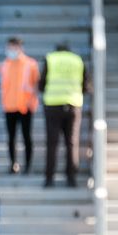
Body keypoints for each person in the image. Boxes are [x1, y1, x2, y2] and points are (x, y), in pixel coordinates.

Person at [39, 42, 86, 188]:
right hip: (73, 105)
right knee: (71, 143)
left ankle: (49, 179)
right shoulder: (77, 60)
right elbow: (85, 85)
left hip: (52, 105)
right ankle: (71, 178)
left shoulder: (50, 58)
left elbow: (41, 84)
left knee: (52, 144)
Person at [0, 37, 40, 175]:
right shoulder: (4, 65)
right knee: (11, 137)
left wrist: (31, 102)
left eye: (14, 47)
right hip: (9, 106)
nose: (11, 50)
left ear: (20, 48)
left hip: (25, 106)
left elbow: (35, 85)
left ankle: (28, 165)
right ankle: (13, 164)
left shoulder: (30, 64)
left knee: (26, 136)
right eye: (9, 47)